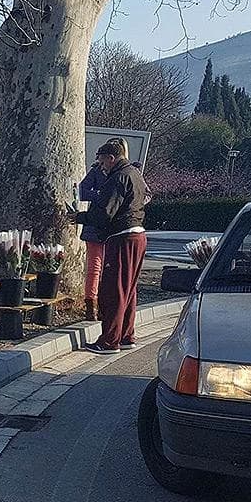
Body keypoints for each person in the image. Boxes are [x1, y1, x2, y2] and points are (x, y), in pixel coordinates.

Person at [77, 140, 149, 354]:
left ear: (111, 157)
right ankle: (127, 335)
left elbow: (104, 213)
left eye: (102, 161)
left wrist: (79, 217)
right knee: (129, 289)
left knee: (113, 290)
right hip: (138, 234)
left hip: (121, 238)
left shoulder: (118, 177)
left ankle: (109, 341)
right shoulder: (135, 173)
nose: (101, 166)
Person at [77, 136, 129, 321]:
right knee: (95, 267)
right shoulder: (97, 171)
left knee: (110, 268)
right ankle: (91, 305)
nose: (102, 163)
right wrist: (100, 195)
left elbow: (145, 194)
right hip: (96, 224)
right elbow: (82, 190)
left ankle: (105, 303)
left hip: (115, 226)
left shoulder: (127, 172)